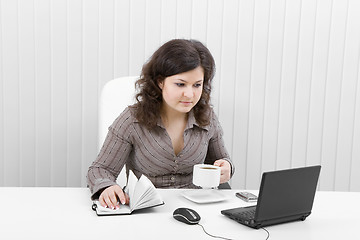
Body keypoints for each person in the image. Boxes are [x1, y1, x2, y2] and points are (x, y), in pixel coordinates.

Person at [87, 39, 235, 209]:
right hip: (147, 210)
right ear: (160, 81)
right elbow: (99, 169)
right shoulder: (132, 119)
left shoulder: (207, 117)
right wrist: (107, 187)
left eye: (197, 85)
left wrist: (226, 168)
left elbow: (222, 161)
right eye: (180, 84)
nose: (189, 94)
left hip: (197, 210)